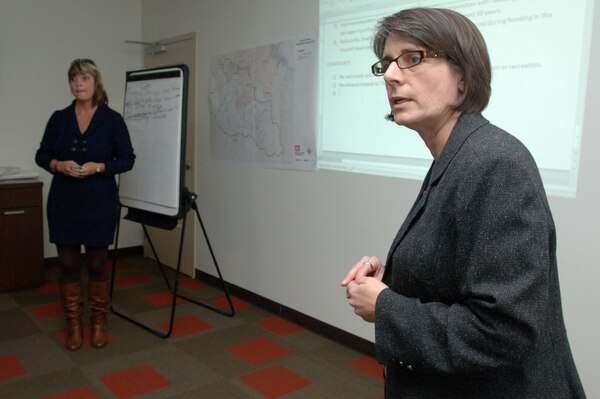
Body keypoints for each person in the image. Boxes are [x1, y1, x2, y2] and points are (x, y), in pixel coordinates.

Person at [341, 8, 586, 398]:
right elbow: (458, 272)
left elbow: (501, 332)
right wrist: (392, 279)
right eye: (386, 63)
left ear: (463, 77)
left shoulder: (494, 162)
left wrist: (386, 307)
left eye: (413, 58)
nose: (389, 74)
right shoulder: (457, 155)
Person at [35, 58, 135, 351]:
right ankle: (74, 325)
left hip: (99, 201)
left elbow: (127, 159)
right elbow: (41, 155)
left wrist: (99, 167)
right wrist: (58, 164)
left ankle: (99, 323)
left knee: (96, 262)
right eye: (74, 78)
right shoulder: (58, 118)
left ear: (96, 83)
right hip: (64, 201)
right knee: (67, 264)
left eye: (85, 78)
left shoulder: (112, 119)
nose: (79, 83)